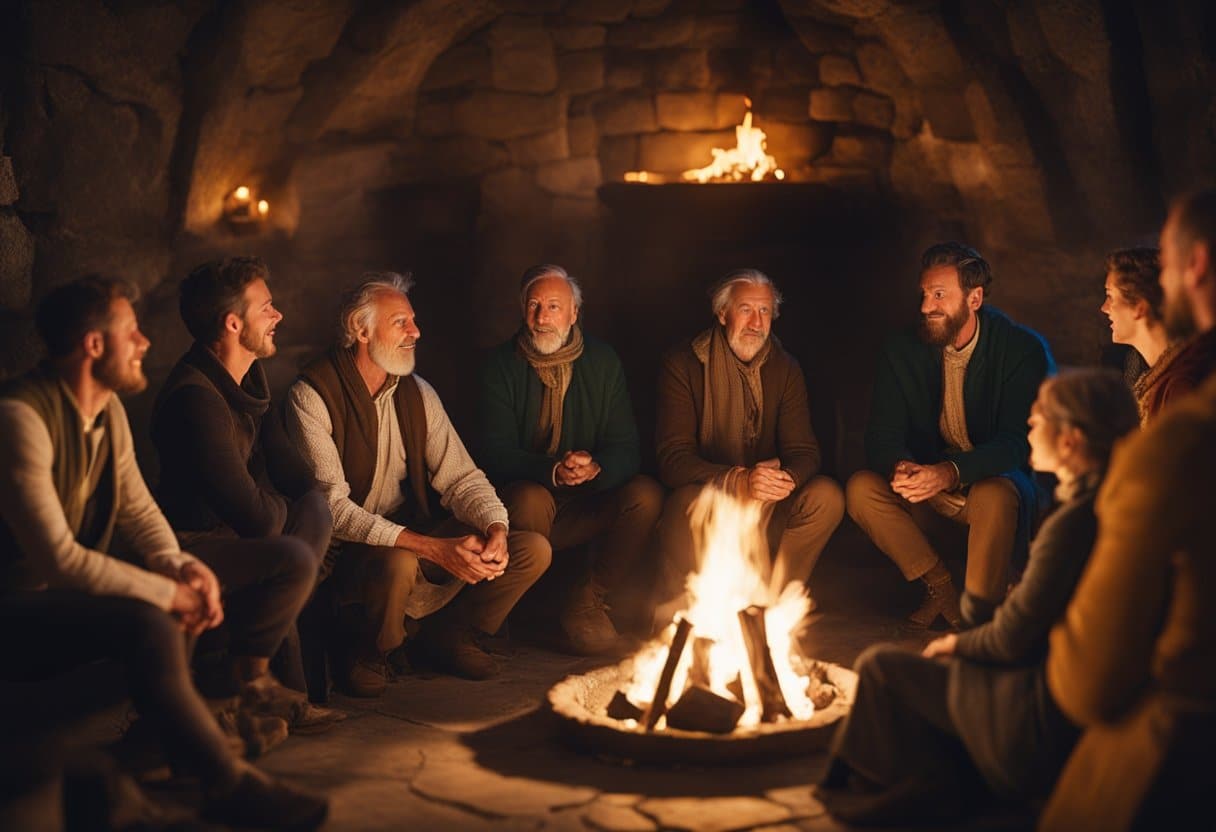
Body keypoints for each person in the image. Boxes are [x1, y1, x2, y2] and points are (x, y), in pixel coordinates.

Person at [0, 276, 327, 830]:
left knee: (218, 587)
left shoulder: (105, 410)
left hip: (66, 595)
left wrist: (183, 567)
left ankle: (168, 739)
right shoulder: (21, 419)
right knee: (154, 619)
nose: (146, 342)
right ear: (94, 344)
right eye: (131, 332)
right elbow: (59, 558)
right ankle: (226, 783)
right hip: (18, 606)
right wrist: (165, 590)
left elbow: (139, 510)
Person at [816, 369, 1139, 826]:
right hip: (1049, 698)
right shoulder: (1107, 504)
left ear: (1070, 441)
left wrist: (958, 643)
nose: (1029, 424)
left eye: (1039, 417)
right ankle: (920, 791)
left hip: (1033, 716)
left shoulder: (1073, 525)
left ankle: (874, 799)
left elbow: (1011, 638)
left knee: (879, 667)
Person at [1041, 188, 1216, 831]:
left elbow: (1089, 681)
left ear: (1194, 266)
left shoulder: (1182, 427)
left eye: (1167, 263)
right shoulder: (1157, 384)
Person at [286, 272, 549, 694]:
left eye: (413, 320)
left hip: (410, 534)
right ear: (361, 331)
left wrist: (496, 527)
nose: (416, 331)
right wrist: (431, 548)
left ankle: (448, 635)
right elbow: (333, 509)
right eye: (401, 323)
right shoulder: (311, 395)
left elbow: (462, 477)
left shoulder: (417, 392)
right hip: (346, 554)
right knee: (401, 561)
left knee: (530, 549)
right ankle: (369, 650)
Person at [151, 257, 341, 728]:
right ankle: (269, 685)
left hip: (246, 530)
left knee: (316, 507)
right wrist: (282, 515)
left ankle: (276, 674)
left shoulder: (250, 382)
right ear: (233, 324)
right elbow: (254, 517)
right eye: (267, 308)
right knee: (292, 551)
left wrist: (289, 511)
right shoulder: (195, 400)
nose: (278, 315)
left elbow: (298, 478)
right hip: (195, 542)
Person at [847, 242, 1055, 629]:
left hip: (996, 493)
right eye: (925, 294)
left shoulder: (1020, 349)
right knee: (862, 488)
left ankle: (979, 618)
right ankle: (941, 588)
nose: (926, 306)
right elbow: (881, 434)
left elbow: (1018, 443)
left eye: (940, 295)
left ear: (974, 299)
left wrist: (949, 472)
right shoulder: (903, 349)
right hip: (931, 492)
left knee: (994, 493)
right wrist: (901, 466)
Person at [477, 264, 663, 654]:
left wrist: (596, 467)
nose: (542, 317)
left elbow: (626, 446)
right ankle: (512, 609)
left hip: (589, 498)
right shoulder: (500, 365)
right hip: (530, 499)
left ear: (574, 313)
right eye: (534, 306)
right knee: (529, 497)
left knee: (645, 495)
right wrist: (552, 471)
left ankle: (587, 600)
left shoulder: (603, 361)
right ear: (523, 310)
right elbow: (493, 452)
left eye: (554, 306)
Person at [654, 269, 844, 618]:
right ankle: (707, 608)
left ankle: (775, 608)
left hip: (766, 497)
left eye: (765, 311)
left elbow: (804, 451)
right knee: (688, 502)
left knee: (826, 496)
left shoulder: (785, 367)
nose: (756, 323)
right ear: (722, 313)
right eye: (746, 310)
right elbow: (673, 459)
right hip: (709, 498)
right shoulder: (683, 364)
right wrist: (738, 479)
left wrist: (784, 479)